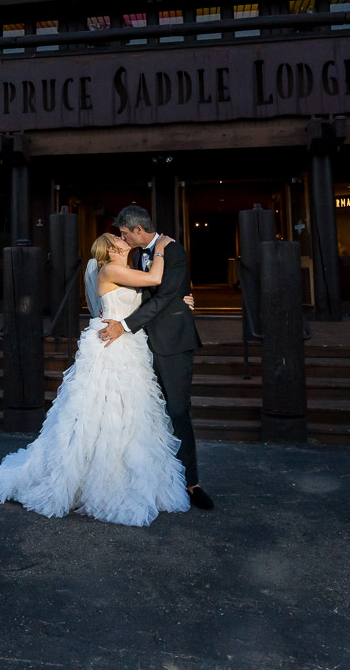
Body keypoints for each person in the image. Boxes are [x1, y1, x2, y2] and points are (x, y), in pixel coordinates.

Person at [0, 232, 191, 526]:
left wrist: (180, 299)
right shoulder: (111, 269)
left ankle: (124, 474)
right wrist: (163, 248)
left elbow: (150, 298)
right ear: (113, 247)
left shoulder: (126, 271)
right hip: (110, 347)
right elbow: (155, 279)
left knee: (129, 413)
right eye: (118, 236)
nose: (123, 237)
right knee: (101, 412)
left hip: (129, 347)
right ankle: (93, 480)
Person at [99, 205, 212, 510]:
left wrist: (123, 324)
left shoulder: (172, 250)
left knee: (177, 411)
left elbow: (164, 297)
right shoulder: (136, 255)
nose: (121, 238)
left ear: (137, 229)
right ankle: (157, 478)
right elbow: (147, 290)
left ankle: (192, 483)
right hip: (141, 345)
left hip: (172, 342)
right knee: (148, 415)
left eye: (123, 232)